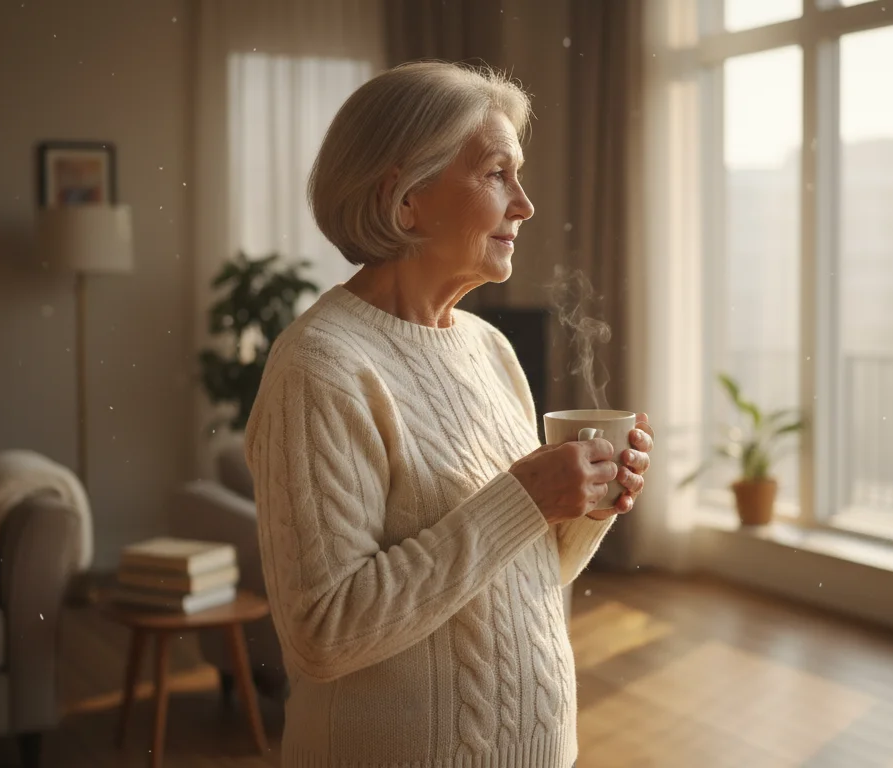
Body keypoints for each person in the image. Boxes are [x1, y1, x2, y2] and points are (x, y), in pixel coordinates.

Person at [243, 60, 654, 768]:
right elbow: (322, 632)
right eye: (497, 174)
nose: (523, 204)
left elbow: (523, 571)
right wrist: (526, 496)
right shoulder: (320, 367)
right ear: (405, 200)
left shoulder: (489, 349)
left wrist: (588, 504)